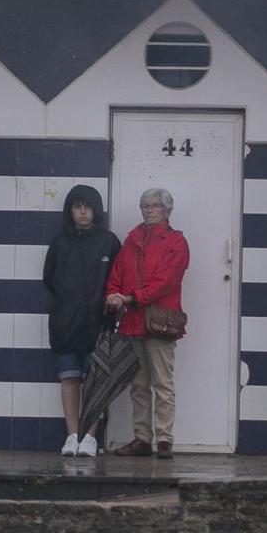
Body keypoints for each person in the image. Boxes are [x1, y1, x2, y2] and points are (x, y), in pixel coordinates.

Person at [104, 188, 189, 459]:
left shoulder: (176, 242)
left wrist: (130, 298)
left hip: (159, 321)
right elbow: (116, 273)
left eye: (154, 205)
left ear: (167, 210)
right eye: (145, 205)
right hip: (132, 321)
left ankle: (164, 439)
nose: (149, 210)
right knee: (138, 384)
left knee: (162, 382)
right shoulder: (131, 240)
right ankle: (142, 438)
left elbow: (166, 282)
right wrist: (112, 295)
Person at [42, 184, 121, 457]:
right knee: (69, 380)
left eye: (87, 206)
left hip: (99, 325)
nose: (83, 211)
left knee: (96, 383)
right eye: (77, 206)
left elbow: (118, 280)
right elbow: (49, 280)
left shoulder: (109, 242)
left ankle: (90, 437)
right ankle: (72, 435)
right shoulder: (59, 242)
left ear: (96, 210)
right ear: (70, 211)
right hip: (65, 324)